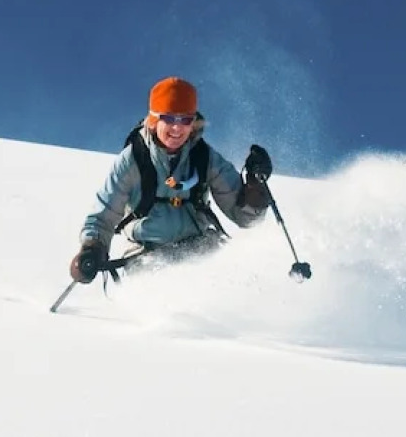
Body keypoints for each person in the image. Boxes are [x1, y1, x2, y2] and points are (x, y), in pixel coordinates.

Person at [70, 77, 274, 284]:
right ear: (154, 119)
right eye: (169, 118)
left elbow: (246, 219)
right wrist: (92, 248)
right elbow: (103, 216)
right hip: (146, 256)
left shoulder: (204, 157)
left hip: (200, 248)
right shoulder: (133, 159)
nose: (177, 128)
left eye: (185, 120)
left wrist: (255, 188)